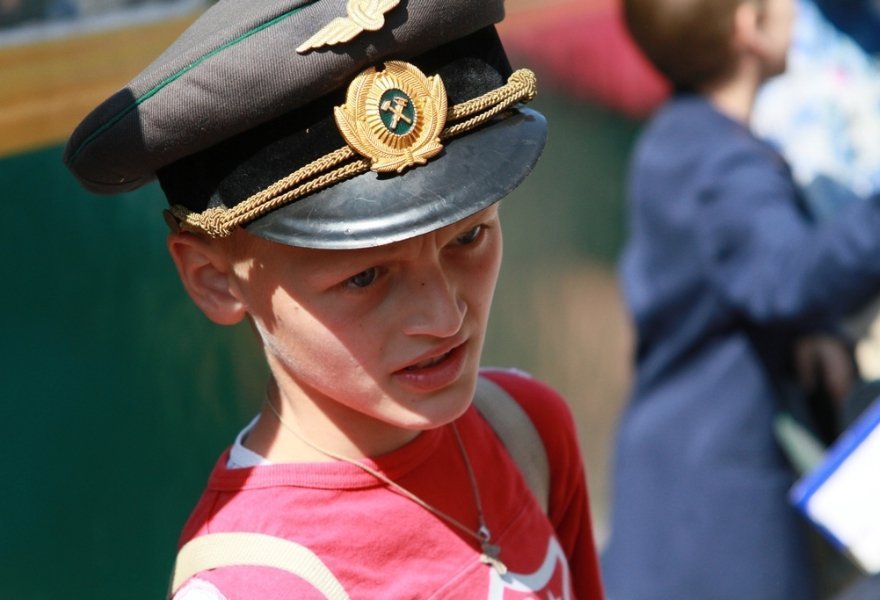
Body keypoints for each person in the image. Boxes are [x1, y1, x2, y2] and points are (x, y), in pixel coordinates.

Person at [63, 0, 604, 598]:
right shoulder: (251, 587)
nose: (445, 316)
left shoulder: (526, 431)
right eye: (365, 277)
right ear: (214, 277)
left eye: (468, 237)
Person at [602, 0, 880, 598]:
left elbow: (753, 283)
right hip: (715, 512)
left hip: (683, 491)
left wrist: (811, 332)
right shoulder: (718, 162)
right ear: (750, 27)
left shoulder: (687, 142)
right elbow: (790, 276)